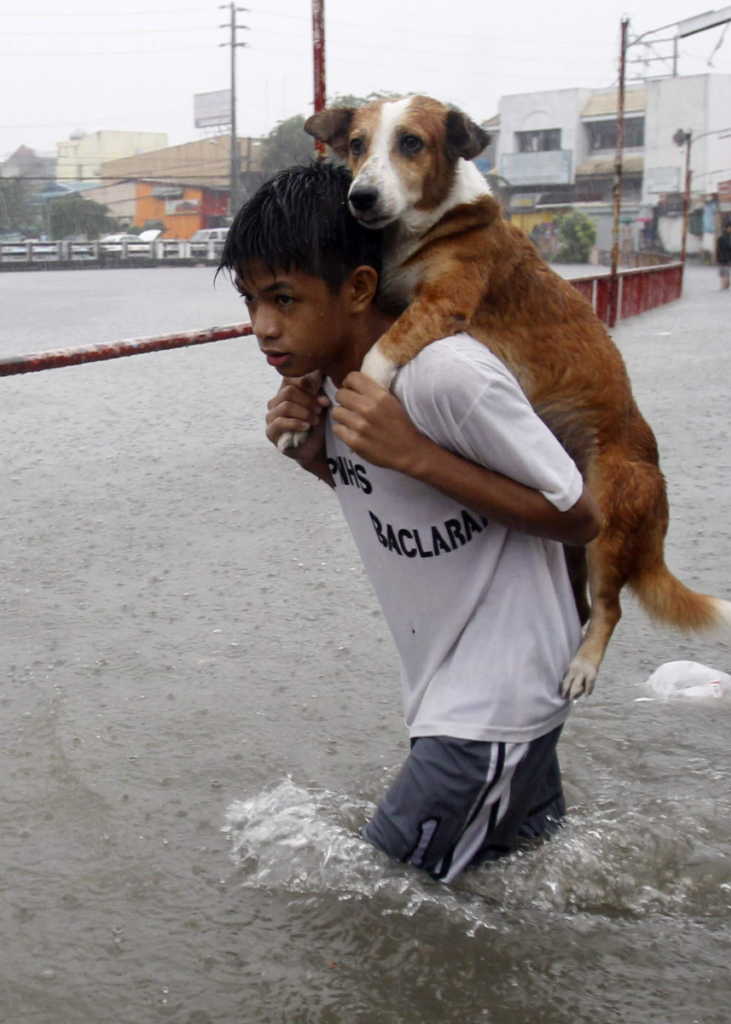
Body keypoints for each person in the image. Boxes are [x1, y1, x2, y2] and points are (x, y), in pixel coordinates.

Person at [219, 163, 602, 883]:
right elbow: (398, 500)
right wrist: (312, 455)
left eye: (283, 298)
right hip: (468, 692)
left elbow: (578, 513)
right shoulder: (333, 381)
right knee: (524, 895)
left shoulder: (445, 374)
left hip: (491, 704)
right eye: (250, 300)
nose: (263, 326)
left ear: (360, 287)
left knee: (377, 907)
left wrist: (417, 453)